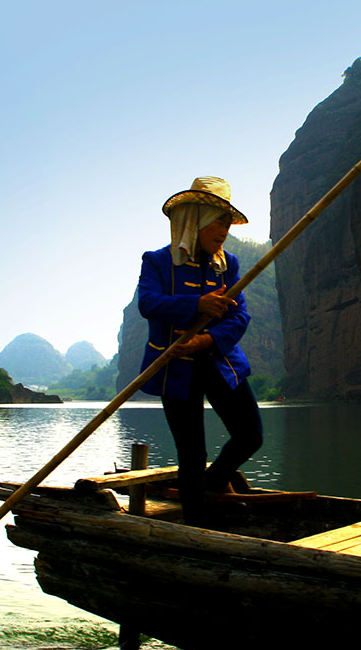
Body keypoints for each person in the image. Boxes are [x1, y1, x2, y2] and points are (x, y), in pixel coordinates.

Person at [137, 176, 263, 527]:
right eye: (217, 220)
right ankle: (196, 527)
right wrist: (198, 304)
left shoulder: (230, 265)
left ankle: (210, 484)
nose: (223, 229)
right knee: (191, 454)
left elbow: (240, 314)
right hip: (175, 364)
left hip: (221, 361)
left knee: (250, 435)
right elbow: (147, 303)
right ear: (195, 218)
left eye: (226, 221)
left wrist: (206, 340)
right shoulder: (158, 262)